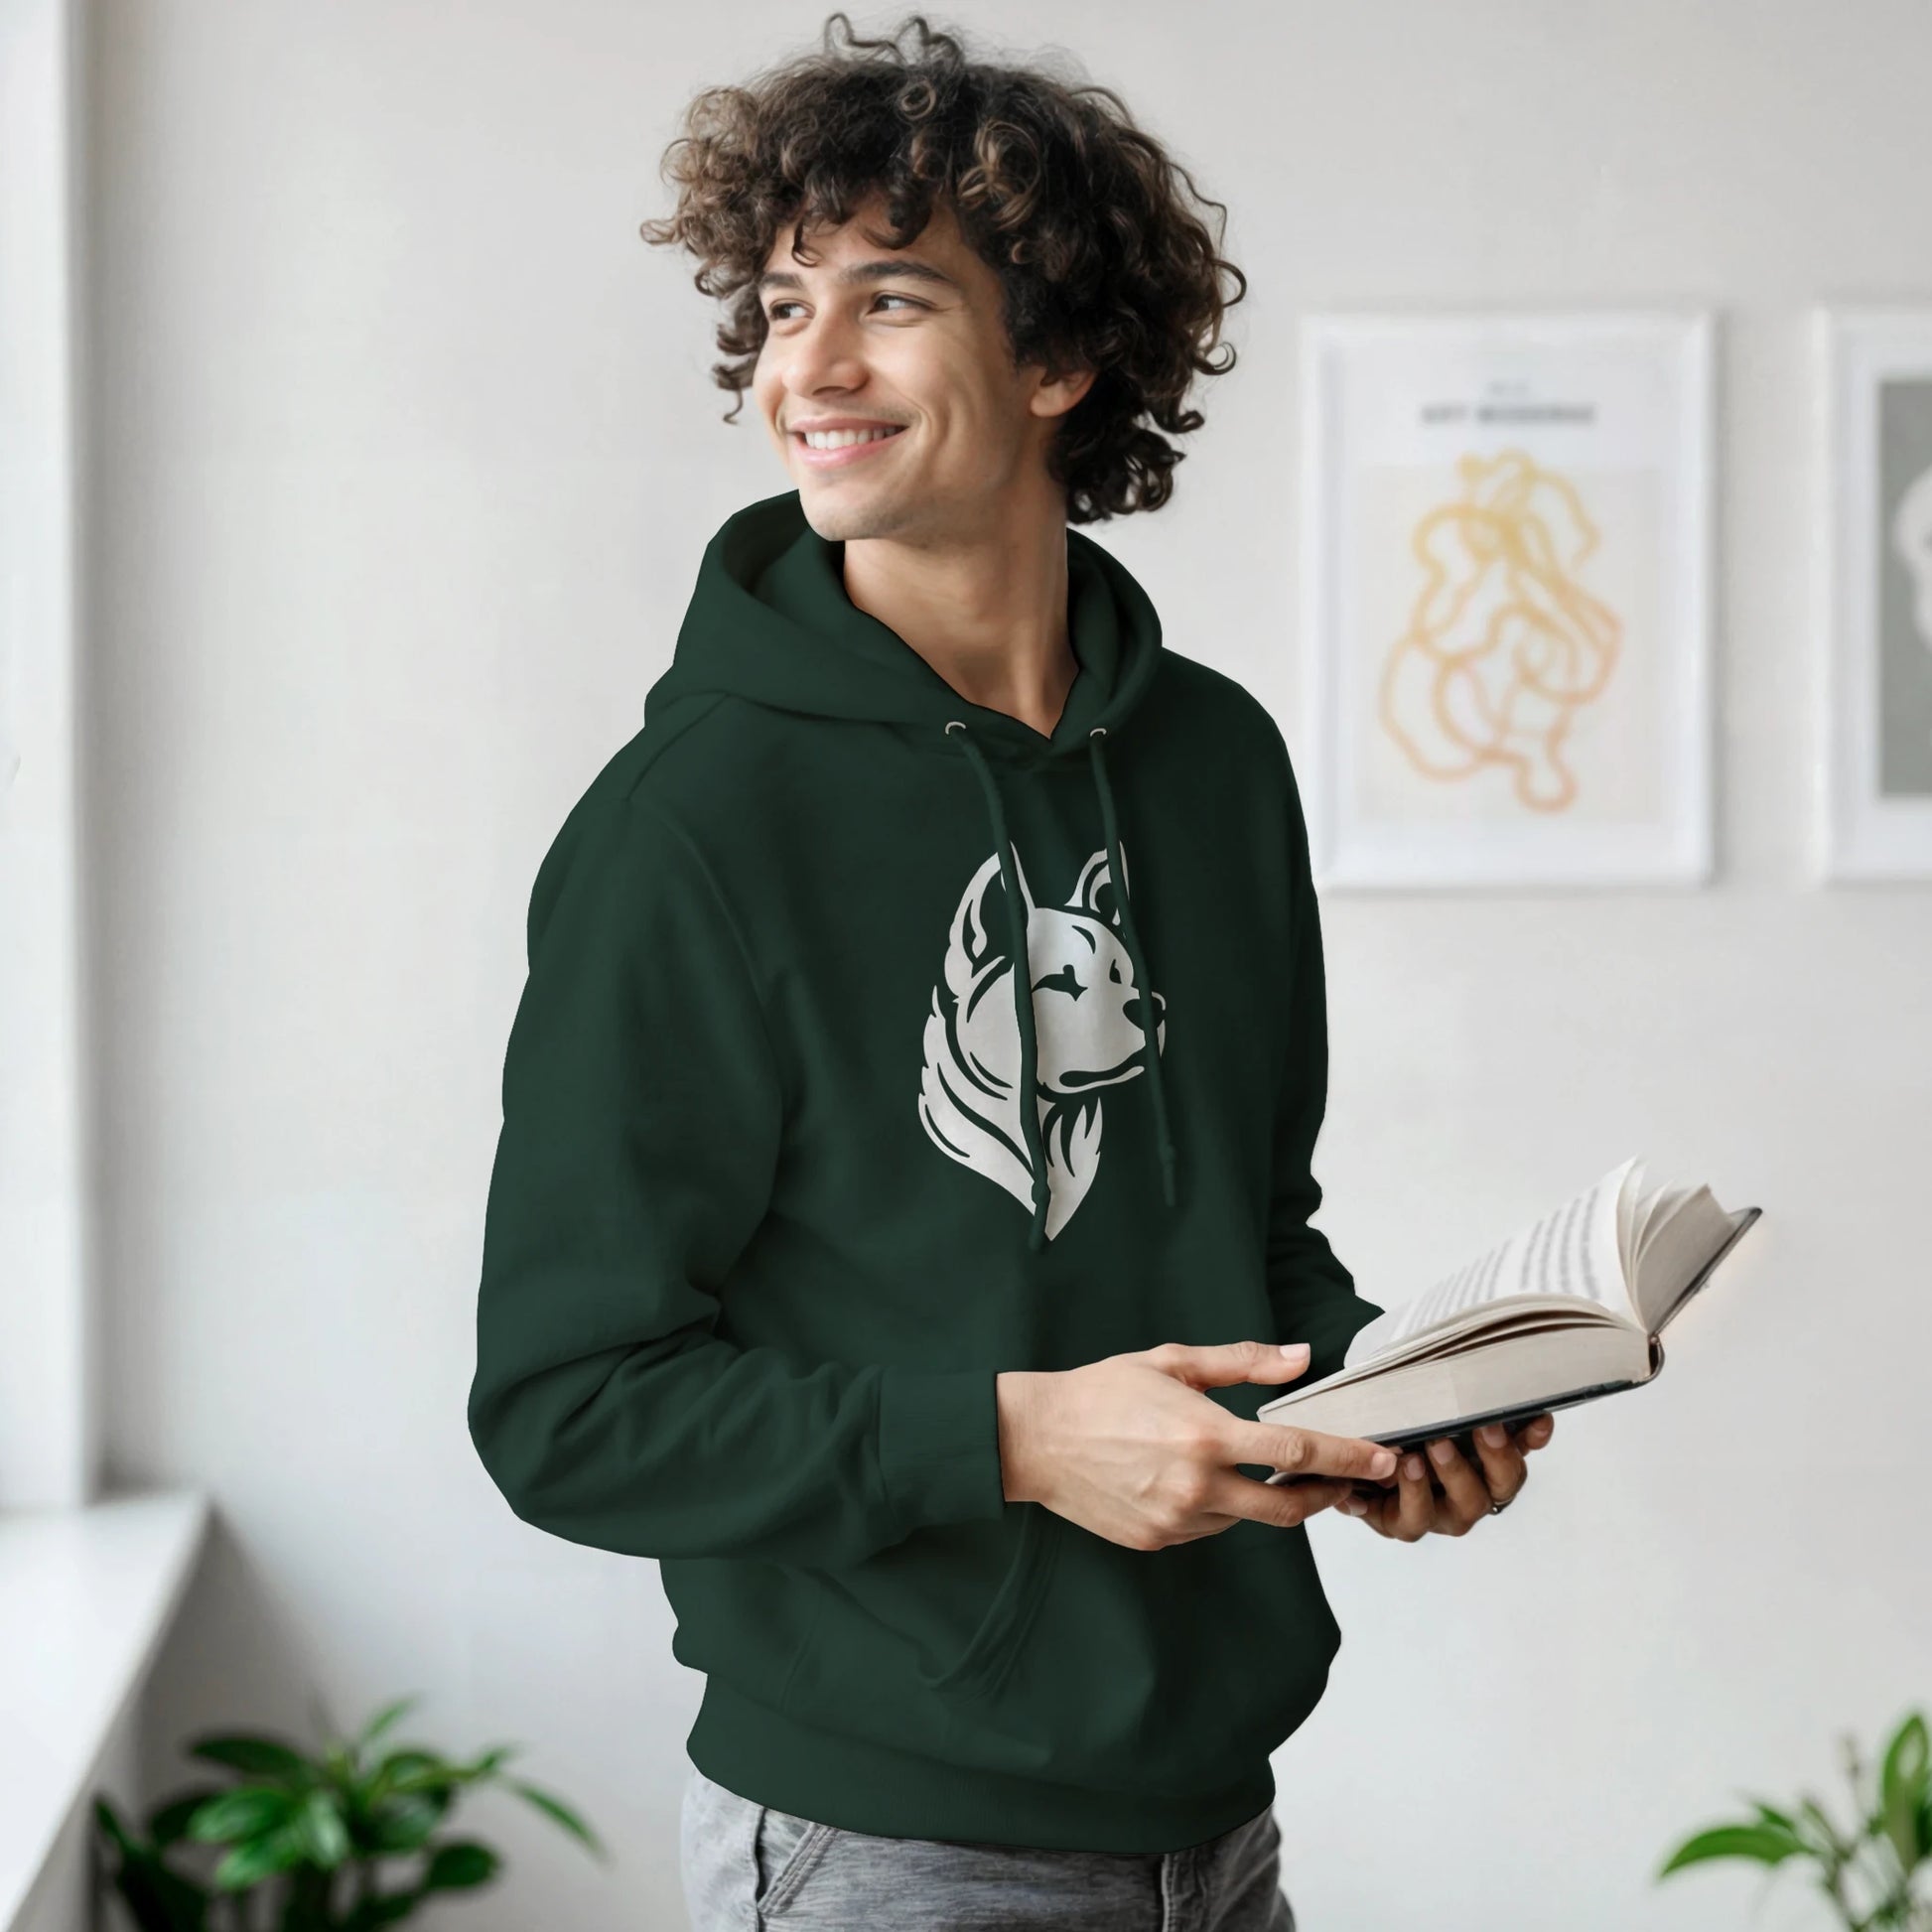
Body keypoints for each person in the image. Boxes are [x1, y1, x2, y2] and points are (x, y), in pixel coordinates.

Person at [467, 14, 1555, 1929]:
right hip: (884, 1840)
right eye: (783, 302)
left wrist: (1376, 1410)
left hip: (1216, 1820)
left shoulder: (1211, 765)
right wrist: (1021, 1437)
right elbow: (568, 1404)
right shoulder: (689, 827)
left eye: (886, 301)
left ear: (1057, 357)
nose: (805, 364)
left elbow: (1242, 1223)